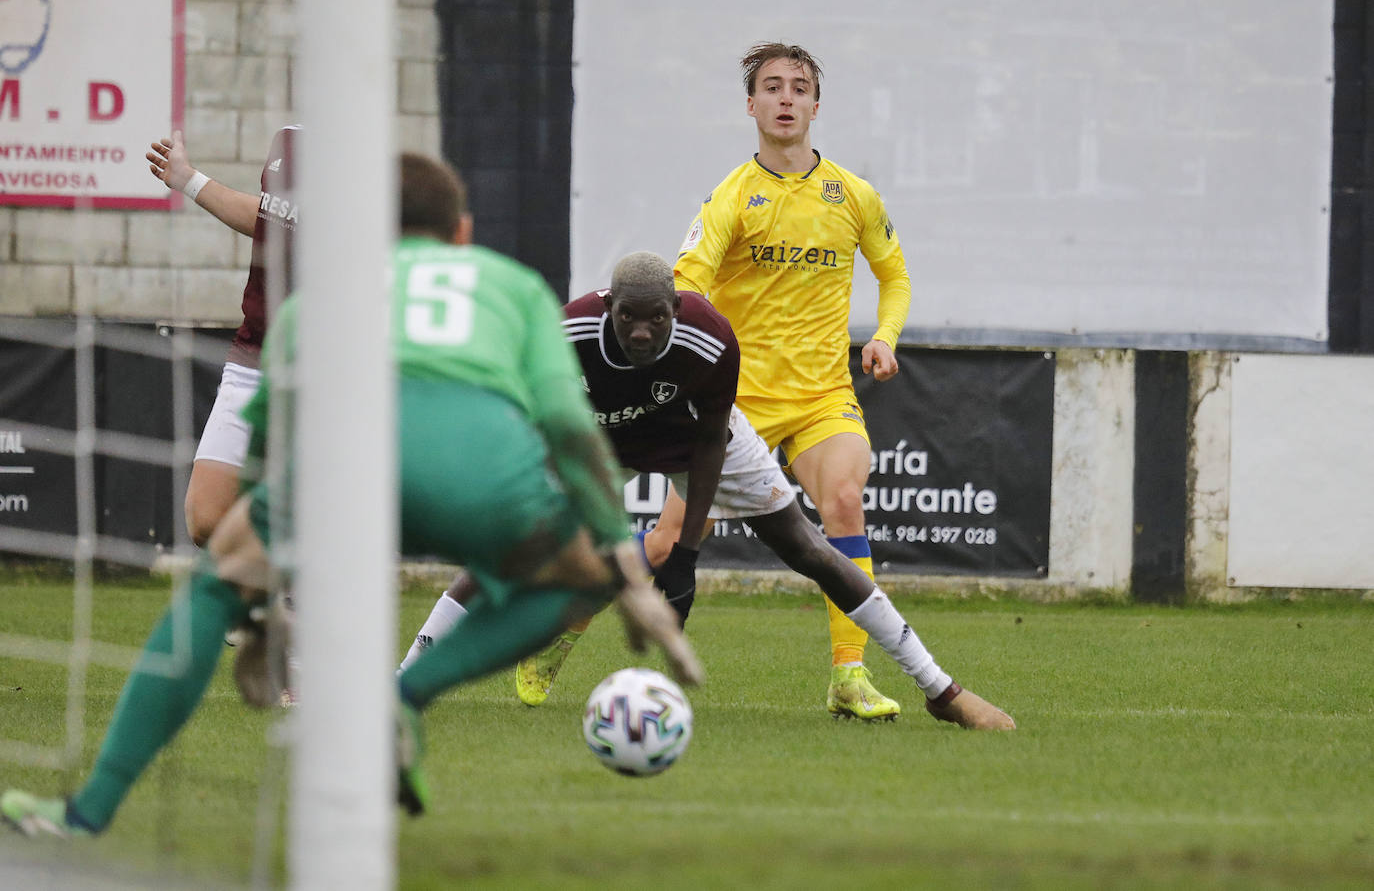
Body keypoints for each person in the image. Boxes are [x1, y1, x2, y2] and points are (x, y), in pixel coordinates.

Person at [0, 154, 699, 838]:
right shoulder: (511, 284)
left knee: (211, 591)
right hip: (476, 465)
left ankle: (89, 811)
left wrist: (260, 588)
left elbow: (273, 438)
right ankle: (403, 697)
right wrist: (616, 560)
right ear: (462, 231)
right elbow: (568, 429)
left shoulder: (318, 296)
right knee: (564, 582)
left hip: (343, 467)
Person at [400, 251, 1013, 731]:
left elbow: (711, 445)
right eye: (629, 317)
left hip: (695, 440)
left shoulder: (710, 337)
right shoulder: (568, 333)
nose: (642, 333)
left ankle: (942, 690)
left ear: (678, 305)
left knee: (808, 548)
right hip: (598, 441)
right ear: (609, 307)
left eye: (657, 317)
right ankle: (403, 679)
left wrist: (687, 557)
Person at [659, 41, 913, 720]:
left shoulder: (854, 194)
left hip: (823, 395)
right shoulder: (732, 196)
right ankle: (564, 633)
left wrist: (883, 337)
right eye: (772, 87)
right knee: (668, 541)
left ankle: (849, 676)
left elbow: (894, 275)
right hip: (736, 402)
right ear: (751, 105)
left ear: (815, 106)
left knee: (844, 501)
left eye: (799, 88)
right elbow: (688, 282)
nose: (786, 98)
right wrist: (695, 364)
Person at [146, 126, 298, 547]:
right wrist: (187, 179)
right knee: (206, 519)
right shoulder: (288, 140)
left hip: (326, 371)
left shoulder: (363, 159)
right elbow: (270, 220)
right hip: (255, 354)